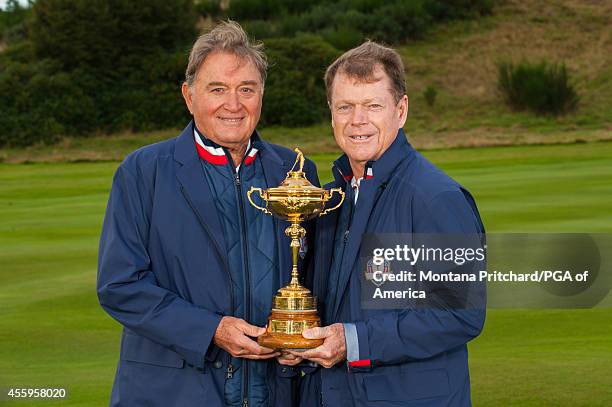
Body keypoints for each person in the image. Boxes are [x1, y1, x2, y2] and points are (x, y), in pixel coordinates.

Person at [97, 21, 317, 407]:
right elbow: (119, 285)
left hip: (277, 390)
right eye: (218, 89)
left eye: (246, 89)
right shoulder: (144, 172)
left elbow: (316, 276)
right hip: (173, 393)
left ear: (261, 95)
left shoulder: (296, 171)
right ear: (189, 95)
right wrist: (211, 330)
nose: (233, 104)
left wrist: (302, 336)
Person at [281, 41, 486, 406]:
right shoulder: (330, 199)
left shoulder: (436, 197)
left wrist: (353, 341)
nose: (357, 120)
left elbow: (460, 315)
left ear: (401, 110)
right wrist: (297, 339)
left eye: (373, 105)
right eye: (345, 106)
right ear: (331, 112)